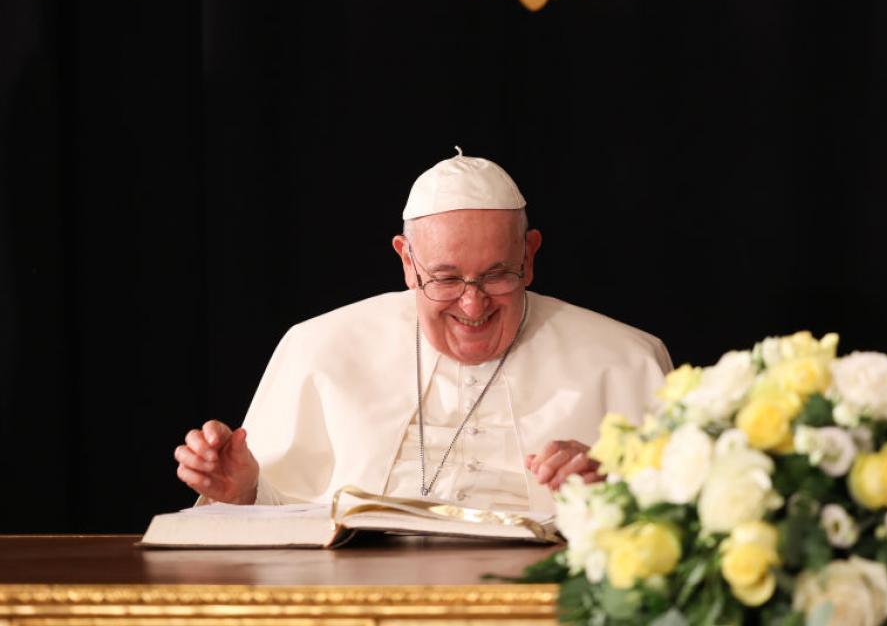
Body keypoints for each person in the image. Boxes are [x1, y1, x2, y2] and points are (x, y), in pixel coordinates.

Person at [174, 149, 671, 514]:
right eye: (447, 278)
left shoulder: (627, 358)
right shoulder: (319, 347)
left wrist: (618, 487)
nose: (473, 304)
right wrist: (244, 491)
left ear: (530, 255)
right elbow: (285, 529)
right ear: (407, 261)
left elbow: (685, 535)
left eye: (498, 274)